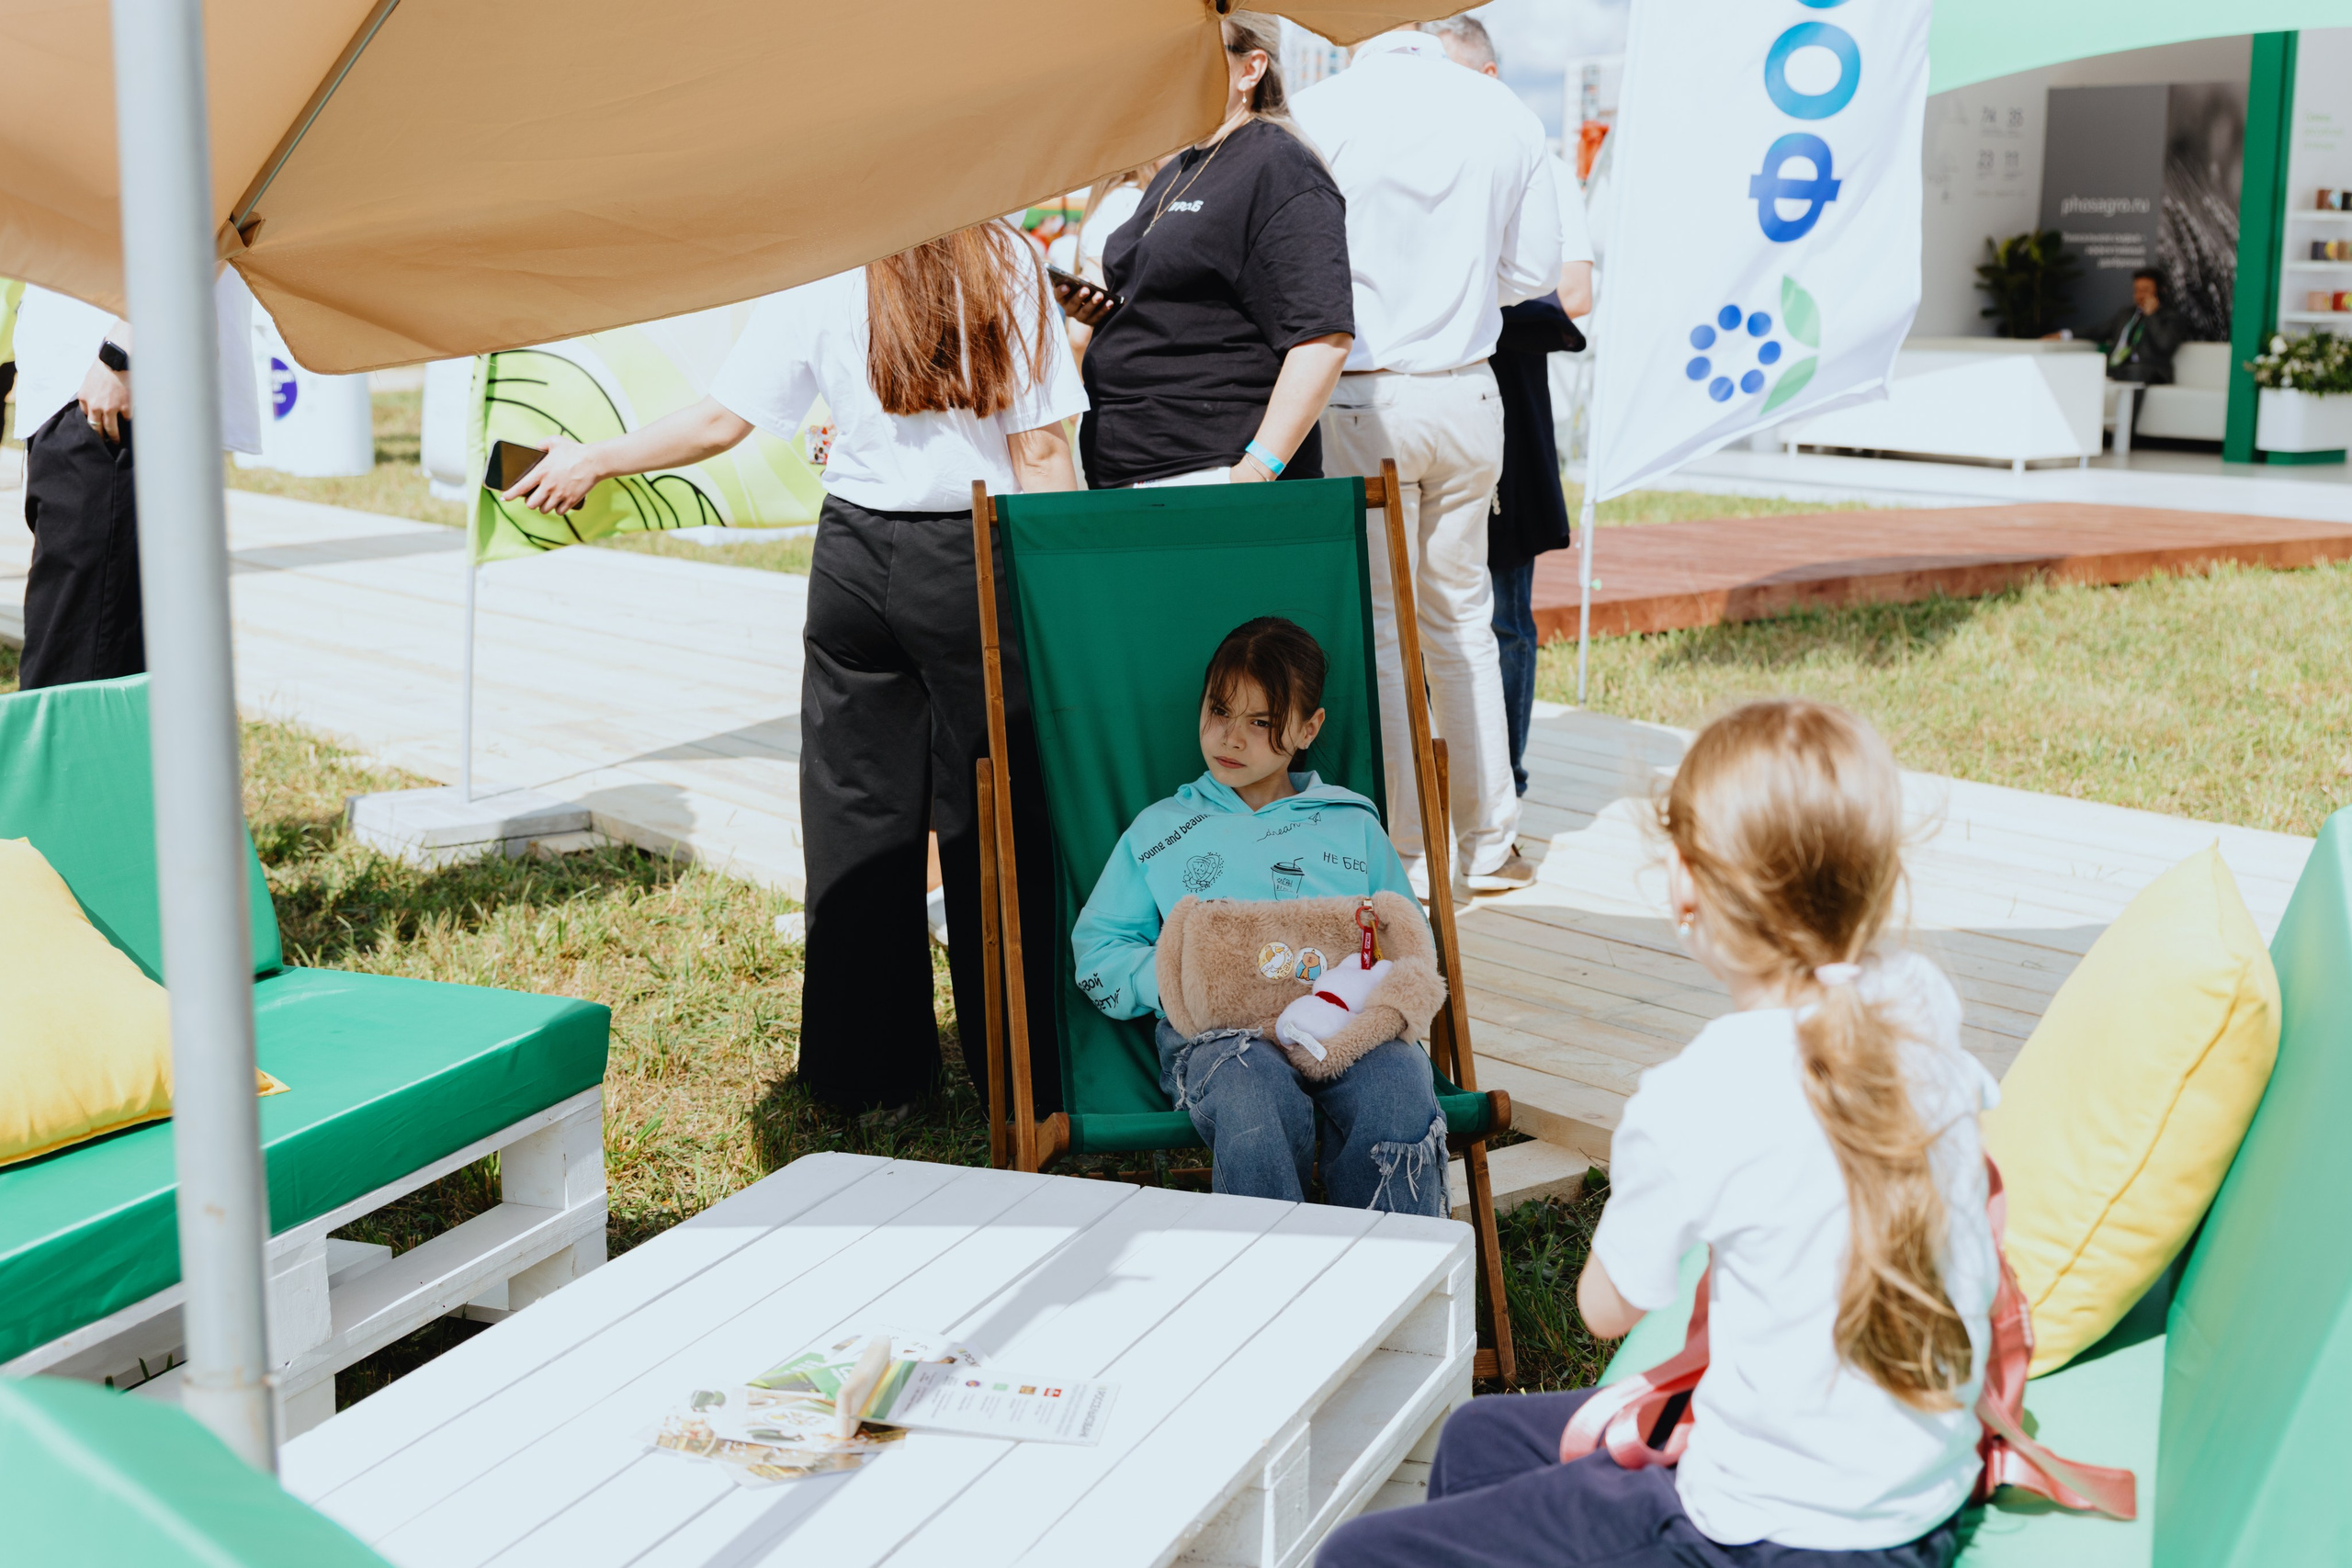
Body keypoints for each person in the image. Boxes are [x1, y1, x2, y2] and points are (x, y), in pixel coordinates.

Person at [1319, 698, 1997, 1568]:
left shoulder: (1703, 1091)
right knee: (1479, 1440)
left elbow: (1604, 1310)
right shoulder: (1922, 1009)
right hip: (1916, 1498)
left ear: (1686, 885)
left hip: (1766, 1531)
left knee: (1358, 1555)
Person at [506, 221, 1085, 1114]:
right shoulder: (1006, 253)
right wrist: (1067, 601)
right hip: (977, 554)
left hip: (854, 557)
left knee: (856, 816)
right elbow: (1042, 453)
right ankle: (1028, 1079)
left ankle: (865, 1078)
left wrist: (594, 458)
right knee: (998, 819)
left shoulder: (824, 253)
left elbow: (720, 421)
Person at [1292, 29, 1562, 897]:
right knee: (1463, 621)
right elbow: (1534, 272)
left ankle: (1406, 855)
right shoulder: (1503, 109)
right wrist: (1462, 286)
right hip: (1468, 389)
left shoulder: (1318, 111)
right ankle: (1489, 844)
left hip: (1363, 392)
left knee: (1382, 629)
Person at [1069, 617, 1448, 1215]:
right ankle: (1271, 1261)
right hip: (1223, 1039)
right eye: (1220, 711)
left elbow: (1407, 941)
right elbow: (1098, 952)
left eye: (1262, 723)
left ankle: (1393, 1259)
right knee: (1251, 1091)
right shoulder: (1162, 831)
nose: (1231, 737)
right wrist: (1179, 978)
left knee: (1400, 1082)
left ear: (1308, 728)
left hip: (1342, 1025)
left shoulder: (1352, 826)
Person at [1056, 11, 1354, 488]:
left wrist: (1255, 471)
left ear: (1250, 70)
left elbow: (1323, 338)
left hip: (1209, 471)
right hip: (1135, 471)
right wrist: (1104, 310)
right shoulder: (1181, 168)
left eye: (1194, 55)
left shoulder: (1280, 165)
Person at [1426, 15, 1596, 800]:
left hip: (1506, 403)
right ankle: (1432, 784)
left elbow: (1575, 292)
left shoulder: (1538, 159)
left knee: (1501, 608)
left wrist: (1466, 302)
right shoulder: (1419, 153)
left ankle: (1505, 781)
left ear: (1488, 78)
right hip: (1423, 396)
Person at [13, 276, 261, 689]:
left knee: (78, 672)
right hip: (91, 388)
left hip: (113, 390)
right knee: (114, 662)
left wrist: (125, 347)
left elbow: (209, 235)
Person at [2049, 268, 2185, 432]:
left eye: (2146, 290)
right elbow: (2097, 331)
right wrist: (2064, 334)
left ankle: (2124, 433)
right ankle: (2076, 430)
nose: (2140, 295)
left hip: (2150, 370)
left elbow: (2164, 345)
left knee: (2135, 372)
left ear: (2159, 292)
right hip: (2117, 367)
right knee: (2084, 368)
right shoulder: (2125, 314)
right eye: (2137, 290)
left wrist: (2151, 315)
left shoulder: (2171, 317)